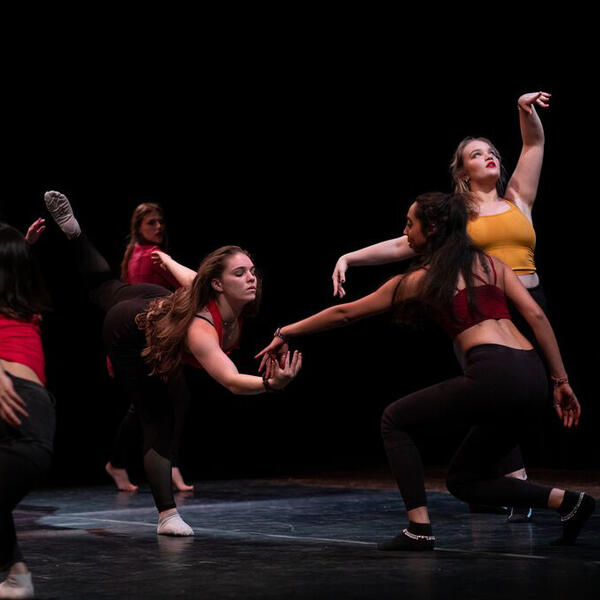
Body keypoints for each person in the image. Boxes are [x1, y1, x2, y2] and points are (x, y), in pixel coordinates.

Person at [257, 192, 594, 551]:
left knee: (394, 420)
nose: (405, 231)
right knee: (464, 480)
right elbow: (537, 317)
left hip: (494, 373)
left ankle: (418, 529)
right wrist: (561, 381)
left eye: (409, 224)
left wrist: (285, 331)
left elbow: (346, 313)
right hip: (532, 374)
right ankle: (569, 503)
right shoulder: (492, 264)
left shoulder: (424, 278)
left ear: (431, 228)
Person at [331, 91, 552, 521]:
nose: (489, 156)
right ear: (462, 170)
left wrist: (524, 111)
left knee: (527, 396)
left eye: (491, 152)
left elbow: (534, 145)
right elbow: (402, 243)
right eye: (476, 153)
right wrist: (348, 257)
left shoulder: (517, 200)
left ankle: (492, 482)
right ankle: (516, 485)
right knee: (497, 397)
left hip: (531, 300)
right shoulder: (456, 214)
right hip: (483, 309)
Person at [44, 191, 301, 537]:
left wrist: (164, 259)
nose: (251, 278)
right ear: (219, 283)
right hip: (128, 328)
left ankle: (75, 233)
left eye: (252, 271)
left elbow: (188, 275)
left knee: (105, 285)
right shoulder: (201, 328)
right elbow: (230, 380)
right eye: (240, 273)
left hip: (155, 299)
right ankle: (167, 515)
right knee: (158, 417)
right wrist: (272, 384)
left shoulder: (210, 294)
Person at [106, 202, 191, 493]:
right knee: (167, 401)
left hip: (148, 337)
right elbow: (159, 298)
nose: (158, 227)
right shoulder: (152, 256)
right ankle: (165, 465)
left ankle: (123, 464)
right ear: (138, 227)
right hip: (149, 337)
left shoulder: (138, 253)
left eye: (160, 222)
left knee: (156, 403)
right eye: (151, 223)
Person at [0, 223, 55, 599]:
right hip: (35, 419)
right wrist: (20, 247)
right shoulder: (22, 309)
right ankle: (16, 574)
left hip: (17, 411)